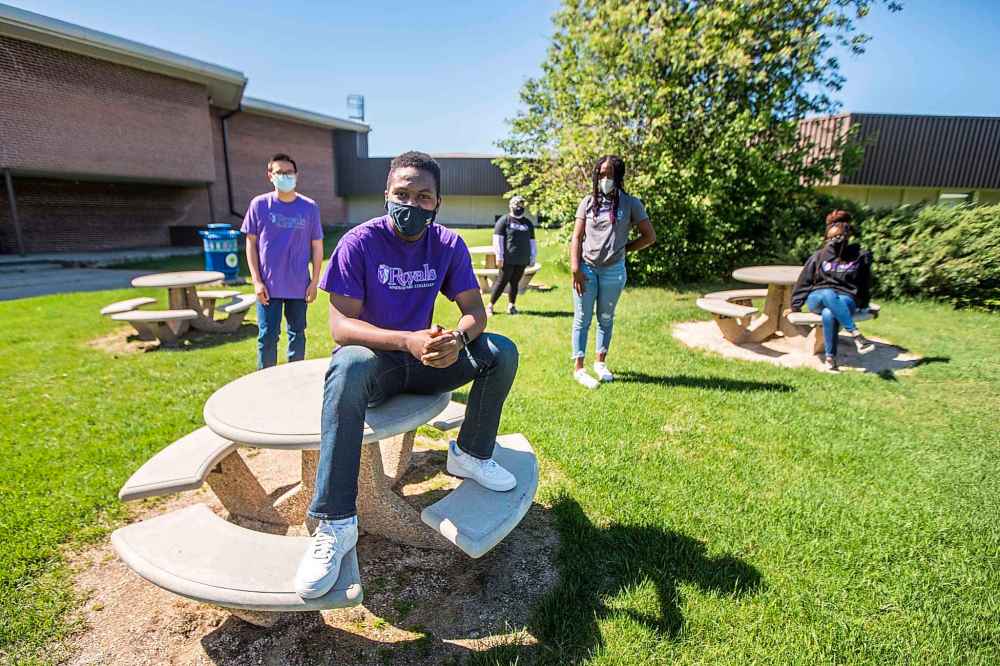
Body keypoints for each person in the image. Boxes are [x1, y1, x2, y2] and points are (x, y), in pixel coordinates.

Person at [294, 151, 520, 599]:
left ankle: (470, 454)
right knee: (348, 363)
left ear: (437, 203)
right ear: (386, 195)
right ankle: (336, 523)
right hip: (377, 364)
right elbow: (340, 326)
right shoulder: (359, 243)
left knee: (501, 352)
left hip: (427, 361)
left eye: (423, 197)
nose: (411, 205)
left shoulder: (448, 245)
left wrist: (455, 338)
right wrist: (406, 340)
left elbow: (475, 311)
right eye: (402, 194)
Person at [569, 155, 656, 389]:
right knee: (582, 319)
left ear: (619, 176)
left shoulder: (631, 204)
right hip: (586, 269)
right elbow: (576, 237)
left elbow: (650, 236)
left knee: (605, 318)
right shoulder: (587, 202)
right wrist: (575, 268)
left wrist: (625, 249)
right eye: (601, 174)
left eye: (610, 174)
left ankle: (600, 362)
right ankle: (579, 367)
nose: (605, 179)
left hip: (613, 272)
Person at [242, 153, 324, 369]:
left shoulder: (309, 207)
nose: (285, 176)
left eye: (289, 173)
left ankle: (294, 379)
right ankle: (265, 382)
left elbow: (317, 246)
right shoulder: (259, 205)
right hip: (268, 285)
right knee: (267, 336)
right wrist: (256, 281)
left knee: (297, 334)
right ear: (270, 175)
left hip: (299, 285)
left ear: (296, 175)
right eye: (279, 172)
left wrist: (314, 282)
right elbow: (250, 243)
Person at [790, 209, 875, 372]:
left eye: (839, 237)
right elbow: (804, 280)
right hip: (818, 297)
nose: (835, 240)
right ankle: (855, 333)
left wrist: (864, 304)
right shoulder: (820, 255)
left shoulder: (859, 256)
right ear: (827, 236)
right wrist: (795, 305)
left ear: (847, 235)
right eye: (831, 237)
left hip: (846, 297)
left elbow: (864, 283)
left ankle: (830, 358)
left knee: (830, 313)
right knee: (828, 293)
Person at [487, 195, 537, 316]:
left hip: (522, 259)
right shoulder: (504, 221)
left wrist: (532, 257)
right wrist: (499, 256)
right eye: (516, 205)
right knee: (502, 281)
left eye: (521, 205)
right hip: (507, 259)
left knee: (515, 282)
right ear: (511, 206)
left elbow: (532, 241)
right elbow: (497, 239)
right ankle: (490, 306)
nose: (519, 208)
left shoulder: (528, 223)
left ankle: (511, 306)